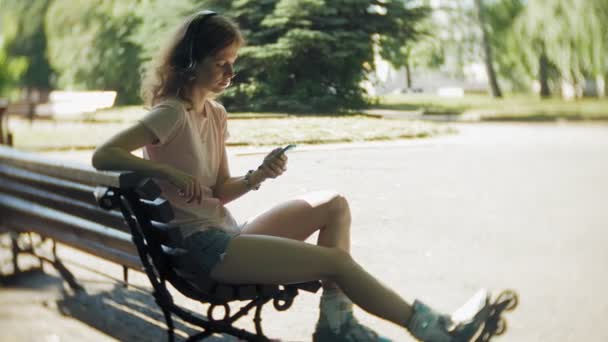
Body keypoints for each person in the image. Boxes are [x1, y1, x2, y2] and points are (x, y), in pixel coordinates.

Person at [92, 10, 491, 342]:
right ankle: (434, 330)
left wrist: (258, 176)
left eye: (234, 62)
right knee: (335, 263)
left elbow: (220, 192)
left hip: (228, 234)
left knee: (333, 204)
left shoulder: (215, 114)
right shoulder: (171, 113)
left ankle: (337, 326)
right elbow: (103, 155)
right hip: (203, 250)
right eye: (221, 62)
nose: (231, 72)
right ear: (193, 61)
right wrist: (163, 170)